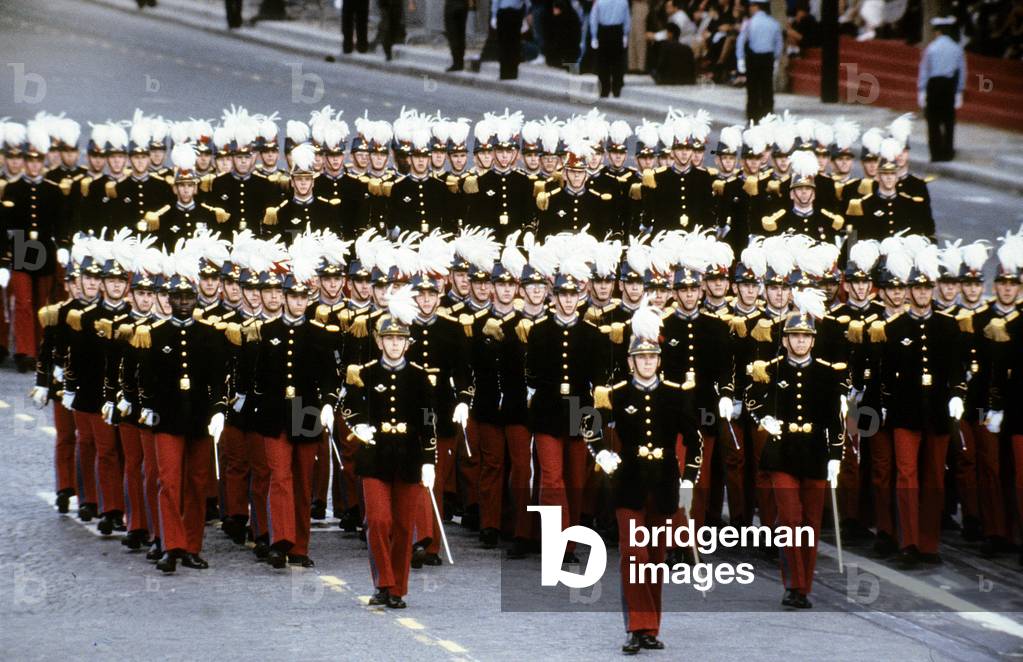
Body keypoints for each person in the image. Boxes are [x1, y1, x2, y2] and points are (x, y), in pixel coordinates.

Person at [593, 302, 702, 654]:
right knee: (633, 556)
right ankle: (635, 626)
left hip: (665, 483)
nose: (647, 363)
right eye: (640, 358)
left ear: (658, 359)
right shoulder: (617, 392)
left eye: (652, 357)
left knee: (655, 558)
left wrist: (690, 478)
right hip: (630, 482)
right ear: (630, 361)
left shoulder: (674, 394)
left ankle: (651, 627)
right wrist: (601, 453)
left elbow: (694, 438)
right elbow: (588, 424)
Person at [748, 290, 847, 609]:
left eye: (806, 337)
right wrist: (763, 417)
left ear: (813, 341)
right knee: (790, 520)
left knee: (810, 524)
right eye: (795, 337)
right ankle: (792, 585)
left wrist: (836, 456)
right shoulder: (772, 368)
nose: (800, 342)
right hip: (783, 453)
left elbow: (836, 419)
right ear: (786, 340)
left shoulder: (827, 373)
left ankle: (804, 585)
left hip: (816, 452)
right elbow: (751, 400)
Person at [342, 286, 437, 609]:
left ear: (407, 343)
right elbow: (349, 406)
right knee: (379, 521)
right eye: (389, 339)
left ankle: (397, 587)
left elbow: (428, 420)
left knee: (402, 525)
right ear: (379, 341)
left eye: (400, 339)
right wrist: (358, 425)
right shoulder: (364, 374)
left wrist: (429, 460)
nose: (394, 344)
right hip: (375, 457)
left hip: (408, 456)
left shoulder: (420, 377)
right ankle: (383, 582)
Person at [138, 260, 229, 573]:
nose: (183, 303)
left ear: (196, 299)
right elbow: (144, 379)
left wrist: (219, 411)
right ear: (168, 300)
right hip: (167, 419)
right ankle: (170, 545)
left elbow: (219, 380)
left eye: (188, 297)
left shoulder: (211, 336)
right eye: (176, 298)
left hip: (200, 420)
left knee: (197, 483)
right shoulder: (155, 335)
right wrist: (147, 406)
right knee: (168, 482)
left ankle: (191, 546)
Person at [918, 17, 966, 162]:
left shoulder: (931, 48)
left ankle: (935, 153)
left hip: (934, 84)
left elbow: (924, 70)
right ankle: (948, 152)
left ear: (938, 32)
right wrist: (959, 90)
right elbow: (962, 71)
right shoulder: (957, 49)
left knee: (933, 121)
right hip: (949, 85)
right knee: (948, 120)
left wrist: (922, 90)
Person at [736, 0, 783, 121]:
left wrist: (740, 58)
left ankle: (753, 117)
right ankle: (768, 115)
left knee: (753, 89)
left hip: (753, 58)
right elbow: (779, 44)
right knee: (767, 88)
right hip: (768, 58)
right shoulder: (774, 23)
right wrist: (776, 59)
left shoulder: (749, 22)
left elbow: (741, 41)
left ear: (755, 6)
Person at [590, 0, 631, 97]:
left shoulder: (600, 2)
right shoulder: (623, 2)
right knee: (617, 62)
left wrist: (594, 36)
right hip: (617, 32)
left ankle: (604, 89)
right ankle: (617, 89)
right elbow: (627, 19)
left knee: (603, 62)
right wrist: (625, 34)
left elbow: (594, 19)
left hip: (604, 31)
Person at [492, 0, 528, 79]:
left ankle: (511, 73)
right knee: (506, 44)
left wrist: (525, 16)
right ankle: (505, 72)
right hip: (505, 13)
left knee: (513, 45)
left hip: (515, 13)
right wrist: (494, 15)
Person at [445, 0, 476, 71]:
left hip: (451, 5)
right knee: (461, 33)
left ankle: (456, 63)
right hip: (463, 5)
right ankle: (460, 62)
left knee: (452, 34)